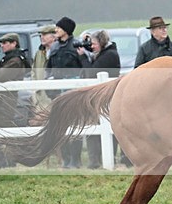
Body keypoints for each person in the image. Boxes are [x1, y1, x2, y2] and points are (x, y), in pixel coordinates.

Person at [0, 33, 31, 168]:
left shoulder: (16, 61)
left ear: (14, 43)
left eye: (5, 43)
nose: (2, 45)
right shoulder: (8, 59)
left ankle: (11, 162)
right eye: (2, 43)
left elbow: (0, 76)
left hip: (4, 102)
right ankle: (2, 162)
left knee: (8, 133)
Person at [79, 29, 121, 168]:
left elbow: (92, 72)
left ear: (102, 43)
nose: (92, 46)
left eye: (94, 43)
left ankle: (101, 160)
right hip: (101, 97)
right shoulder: (106, 53)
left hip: (105, 97)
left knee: (104, 128)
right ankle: (95, 160)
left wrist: (83, 57)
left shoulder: (109, 55)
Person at [46, 16, 83, 168]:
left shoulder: (76, 46)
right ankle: (66, 159)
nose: (56, 30)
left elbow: (82, 68)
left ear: (66, 30)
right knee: (61, 126)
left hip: (72, 91)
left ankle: (76, 159)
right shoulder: (54, 48)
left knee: (75, 125)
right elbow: (49, 69)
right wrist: (50, 88)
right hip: (58, 91)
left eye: (59, 28)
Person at [31, 24, 57, 113]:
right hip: (40, 97)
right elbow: (33, 72)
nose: (42, 37)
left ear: (54, 36)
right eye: (41, 35)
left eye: (45, 34)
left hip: (53, 95)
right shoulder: (39, 53)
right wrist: (35, 92)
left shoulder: (58, 52)